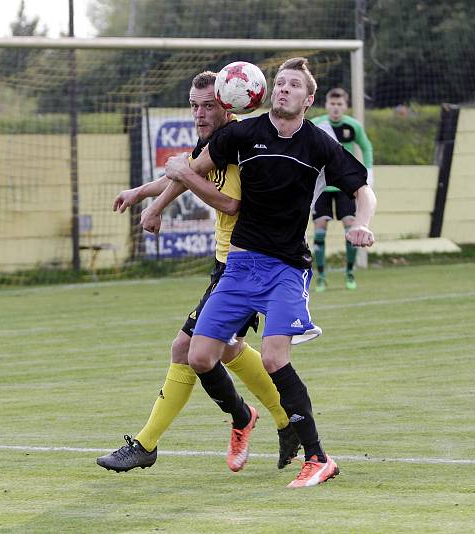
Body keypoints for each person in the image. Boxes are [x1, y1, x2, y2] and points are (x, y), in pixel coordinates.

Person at [150, 57, 376, 488]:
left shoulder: (319, 144)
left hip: (286, 268)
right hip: (238, 266)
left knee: (274, 357)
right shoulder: (243, 133)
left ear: (308, 100)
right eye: (280, 83)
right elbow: (189, 172)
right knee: (198, 355)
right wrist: (155, 202)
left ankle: (318, 457)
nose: (284, 89)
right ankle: (248, 418)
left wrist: (362, 223)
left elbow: (363, 191)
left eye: (293, 85)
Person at [96, 71, 302, 474]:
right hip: (228, 264)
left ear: (230, 103)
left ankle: (149, 442)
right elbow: (186, 174)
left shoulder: (241, 145)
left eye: (208, 106)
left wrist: (157, 204)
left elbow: (229, 204)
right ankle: (282, 419)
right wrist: (143, 194)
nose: (199, 113)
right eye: (194, 105)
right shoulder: (214, 143)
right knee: (225, 350)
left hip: (247, 266)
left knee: (186, 350)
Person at [310, 87, 374, 291]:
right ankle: (321, 276)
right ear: (326, 105)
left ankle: (350, 272)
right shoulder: (319, 124)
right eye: (332, 104)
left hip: (345, 187)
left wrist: (369, 171)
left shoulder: (352, 126)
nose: (336, 108)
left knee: (351, 227)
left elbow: (366, 146)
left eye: (340, 104)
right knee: (319, 231)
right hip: (322, 186)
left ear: (345, 106)